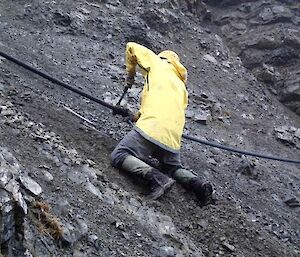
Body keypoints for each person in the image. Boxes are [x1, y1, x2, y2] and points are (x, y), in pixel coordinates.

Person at [111, 42, 213, 205]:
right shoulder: (181, 87)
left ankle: (158, 180)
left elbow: (131, 47)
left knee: (120, 155)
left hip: (152, 130)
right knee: (173, 168)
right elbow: (161, 111)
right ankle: (197, 184)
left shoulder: (157, 63)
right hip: (172, 140)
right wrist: (134, 116)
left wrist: (130, 77)